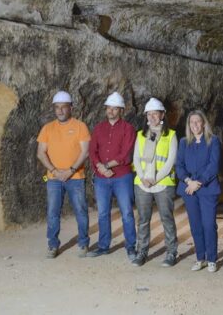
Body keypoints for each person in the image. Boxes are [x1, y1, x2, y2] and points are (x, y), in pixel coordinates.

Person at [36, 91, 91, 259]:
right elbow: (41, 152)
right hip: (54, 178)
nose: (60, 111)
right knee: (53, 212)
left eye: (63, 107)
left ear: (71, 108)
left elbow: (85, 152)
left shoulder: (80, 126)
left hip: (75, 177)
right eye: (57, 107)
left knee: (80, 211)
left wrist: (70, 170)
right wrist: (54, 171)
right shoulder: (47, 128)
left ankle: (83, 243)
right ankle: (52, 245)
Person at [86, 92, 137, 261]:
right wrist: (100, 166)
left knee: (127, 212)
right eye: (109, 108)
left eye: (115, 109)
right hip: (101, 178)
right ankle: (103, 246)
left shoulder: (128, 129)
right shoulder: (99, 128)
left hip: (122, 177)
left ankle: (131, 247)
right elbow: (92, 151)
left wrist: (107, 166)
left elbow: (126, 153)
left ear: (121, 110)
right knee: (102, 213)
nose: (111, 111)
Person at [131, 97, 179, 267]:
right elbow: (136, 158)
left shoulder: (171, 135)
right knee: (143, 219)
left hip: (163, 184)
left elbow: (170, 161)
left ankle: (171, 252)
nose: (151, 117)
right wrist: (144, 177)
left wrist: (155, 179)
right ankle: (141, 251)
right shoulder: (141, 135)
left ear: (162, 115)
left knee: (166, 218)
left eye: (155, 114)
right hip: (142, 183)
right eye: (148, 114)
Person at [175, 110, 221, 273]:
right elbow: (179, 165)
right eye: (191, 122)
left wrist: (199, 182)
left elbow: (213, 166)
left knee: (208, 225)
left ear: (203, 123)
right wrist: (188, 181)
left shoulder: (213, 141)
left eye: (197, 122)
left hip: (207, 189)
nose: (194, 125)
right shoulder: (183, 142)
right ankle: (200, 258)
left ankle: (211, 259)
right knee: (195, 225)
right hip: (189, 189)